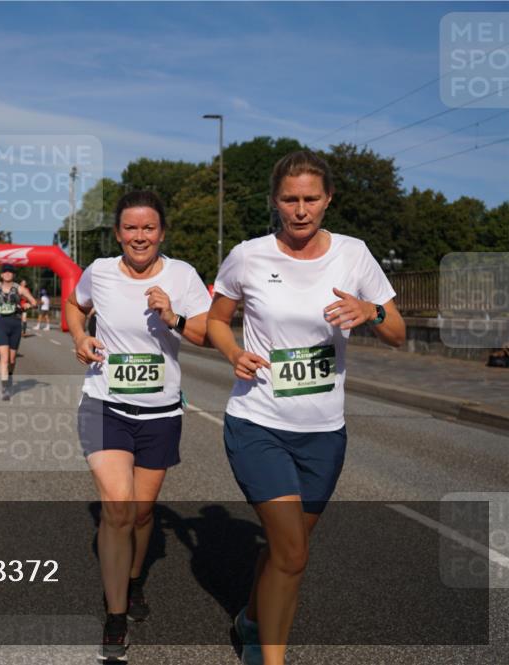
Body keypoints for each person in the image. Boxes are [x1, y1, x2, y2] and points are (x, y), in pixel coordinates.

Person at [207, 151, 405, 665]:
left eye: (310, 199)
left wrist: (371, 310)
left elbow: (398, 333)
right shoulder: (249, 255)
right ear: (276, 201)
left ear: (328, 199)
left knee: (282, 551)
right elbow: (215, 320)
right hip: (258, 422)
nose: (300, 210)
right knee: (294, 551)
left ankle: (251, 618)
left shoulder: (353, 254)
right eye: (290, 199)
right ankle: (267, 655)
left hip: (324, 433)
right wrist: (233, 352)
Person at [64, 190, 211, 662]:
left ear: (161, 232)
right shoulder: (100, 272)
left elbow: (206, 333)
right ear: (118, 233)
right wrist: (80, 335)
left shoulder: (183, 275)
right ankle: (115, 616)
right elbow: (73, 304)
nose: (139, 236)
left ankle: (133, 577)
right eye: (131, 228)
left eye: (148, 228)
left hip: (161, 412)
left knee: (144, 513)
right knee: (118, 509)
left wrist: (173, 315)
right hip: (104, 404)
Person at [0, 265, 37, 400]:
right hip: (1, 323)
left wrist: (29, 305)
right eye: (5, 272)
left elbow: (34, 302)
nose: (8, 274)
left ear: (13, 275)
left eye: (10, 272)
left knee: (12, 359)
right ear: (1, 275)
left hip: (15, 324)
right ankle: (5, 388)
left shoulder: (20, 289)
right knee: (4, 358)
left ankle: (9, 377)